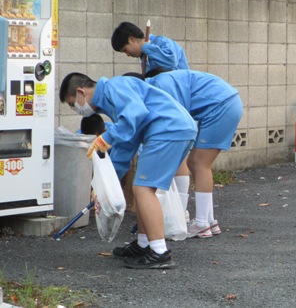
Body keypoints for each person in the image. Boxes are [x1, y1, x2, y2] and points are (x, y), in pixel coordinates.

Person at [59, 72, 197, 269]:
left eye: (73, 104)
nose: (76, 109)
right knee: (141, 188)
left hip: (168, 129)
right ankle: (144, 244)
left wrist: (107, 137)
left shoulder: (114, 86)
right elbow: (127, 142)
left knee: (143, 189)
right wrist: (107, 182)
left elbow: (136, 112)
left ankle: (159, 252)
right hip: (173, 128)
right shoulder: (112, 99)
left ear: (81, 92)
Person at [138, 68, 243, 238]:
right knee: (197, 162)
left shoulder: (159, 85)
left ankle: (201, 223)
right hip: (227, 102)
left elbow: (175, 119)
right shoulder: (164, 81)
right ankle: (209, 221)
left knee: (198, 163)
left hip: (220, 106)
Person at [111, 21, 189, 72]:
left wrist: (147, 48)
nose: (128, 55)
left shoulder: (162, 42)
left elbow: (171, 62)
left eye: (125, 50)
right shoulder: (143, 56)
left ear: (131, 39)